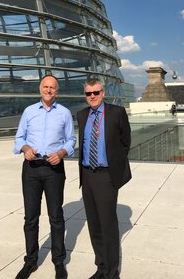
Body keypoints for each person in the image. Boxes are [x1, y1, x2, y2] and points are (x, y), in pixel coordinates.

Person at [13, 75, 76, 279]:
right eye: (45, 87)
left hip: (54, 170)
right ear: (40, 88)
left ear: (56, 91)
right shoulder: (29, 111)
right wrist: (24, 148)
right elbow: (19, 137)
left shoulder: (64, 113)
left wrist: (61, 153)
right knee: (30, 218)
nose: (48, 90)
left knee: (56, 218)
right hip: (31, 168)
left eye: (52, 87)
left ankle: (59, 262)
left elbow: (71, 139)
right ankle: (30, 261)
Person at [77, 78, 132, 279]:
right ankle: (101, 267)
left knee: (108, 224)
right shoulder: (82, 115)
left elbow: (125, 141)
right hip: (87, 175)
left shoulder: (116, 113)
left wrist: (114, 166)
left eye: (96, 92)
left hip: (106, 176)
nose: (92, 96)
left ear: (103, 93)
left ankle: (111, 273)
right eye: (88, 94)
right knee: (94, 225)